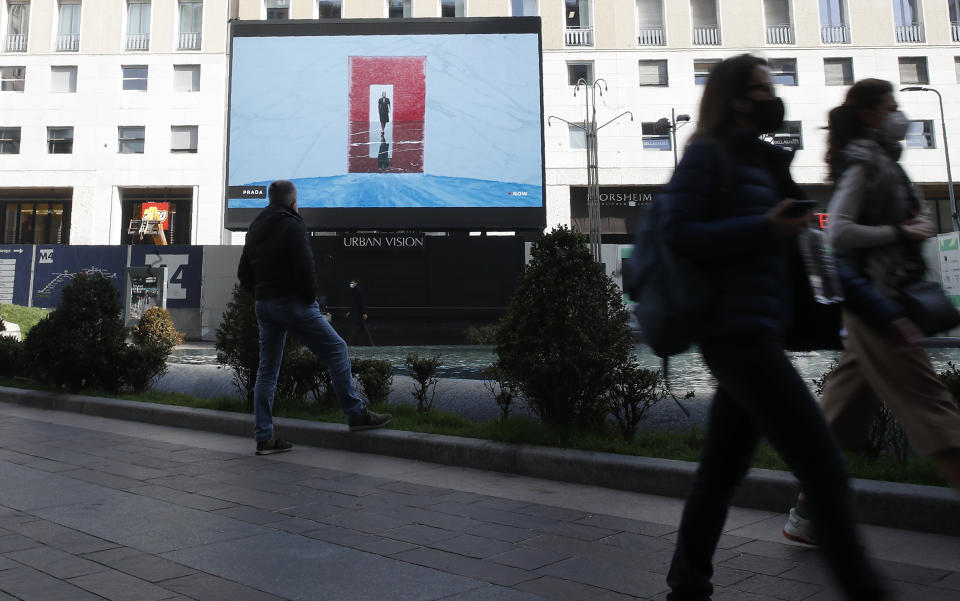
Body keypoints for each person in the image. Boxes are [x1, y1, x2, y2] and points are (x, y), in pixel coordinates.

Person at [660, 54, 886, 601]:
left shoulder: (767, 161)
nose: (774, 95)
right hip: (733, 335)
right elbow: (677, 233)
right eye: (764, 87)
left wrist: (884, 313)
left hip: (760, 330)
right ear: (737, 98)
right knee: (823, 467)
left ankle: (686, 586)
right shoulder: (706, 158)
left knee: (720, 472)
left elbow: (811, 245)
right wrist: (762, 227)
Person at [783, 79, 960, 544]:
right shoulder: (866, 161)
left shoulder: (881, 160)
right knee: (934, 409)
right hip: (880, 305)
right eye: (891, 106)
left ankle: (808, 512)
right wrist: (900, 232)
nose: (899, 114)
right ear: (870, 114)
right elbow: (837, 233)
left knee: (840, 415)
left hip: (871, 305)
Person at [238, 180, 391, 455]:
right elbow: (305, 266)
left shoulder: (255, 227)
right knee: (337, 349)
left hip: (265, 305)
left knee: (267, 372)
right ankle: (355, 416)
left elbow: (243, 274)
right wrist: (308, 299)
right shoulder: (293, 223)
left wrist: (261, 295)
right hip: (293, 303)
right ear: (293, 202)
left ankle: (264, 438)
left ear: (270, 200)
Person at [346, 277, 375, 346]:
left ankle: (346, 343)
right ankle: (371, 344)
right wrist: (349, 311)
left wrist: (364, 312)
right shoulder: (354, 291)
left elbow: (362, 302)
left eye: (352, 283)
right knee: (363, 329)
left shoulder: (359, 291)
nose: (351, 284)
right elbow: (354, 303)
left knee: (354, 329)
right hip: (357, 313)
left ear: (356, 283)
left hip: (358, 314)